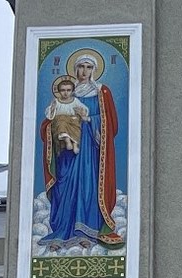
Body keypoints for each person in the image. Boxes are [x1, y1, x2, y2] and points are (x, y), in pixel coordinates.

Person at [39, 54, 121, 249]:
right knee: (65, 186)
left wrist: (93, 123)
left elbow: (112, 124)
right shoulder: (66, 92)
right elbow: (49, 122)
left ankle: (87, 231)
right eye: (81, 67)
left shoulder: (102, 92)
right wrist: (56, 126)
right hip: (68, 153)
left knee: (88, 186)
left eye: (88, 67)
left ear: (94, 70)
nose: (84, 71)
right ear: (75, 69)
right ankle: (63, 232)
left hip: (90, 150)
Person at [46, 77, 89, 154]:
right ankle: (67, 140)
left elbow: (84, 108)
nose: (66, 93)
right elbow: (50, 115)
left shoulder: (75, 101)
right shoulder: (56, 101)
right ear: (59, 91)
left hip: (73, 121)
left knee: (76, 121)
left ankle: (75, 144)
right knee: (61, 122)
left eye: (68, 90)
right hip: (61, 121)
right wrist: (52, 108)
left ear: (72, 91)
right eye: (63, 90)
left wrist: (82, 111)